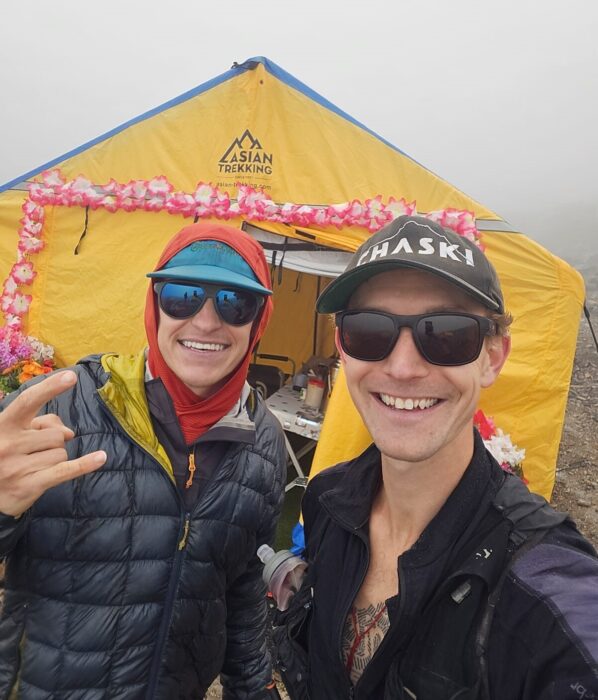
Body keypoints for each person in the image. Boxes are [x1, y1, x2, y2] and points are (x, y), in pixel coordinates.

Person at [277, 215, 598, 699]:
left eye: (447, 335)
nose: (403, 368)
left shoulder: (540, 586)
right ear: (343, 347)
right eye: (368, 331)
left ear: (493, 357)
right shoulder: (326, 503)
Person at [0, 222, 287, 699]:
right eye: (183, 295)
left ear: (258, 323)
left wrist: (254, 690)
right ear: (154, 306)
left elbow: (242, 595)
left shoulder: (265, 441)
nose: (207, 321)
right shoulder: (60, 408)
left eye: (235, 303)